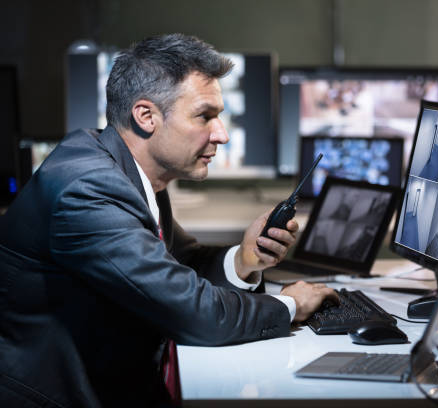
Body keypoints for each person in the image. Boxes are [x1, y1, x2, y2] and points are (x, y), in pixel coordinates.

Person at [0, 33, 338, 408]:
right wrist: (289, 305)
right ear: (146, 117)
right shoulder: (88, 189)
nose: (221, 135)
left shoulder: (128, 168)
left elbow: (177, 266)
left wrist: (244, 260)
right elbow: (192, 311)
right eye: (204, 117)